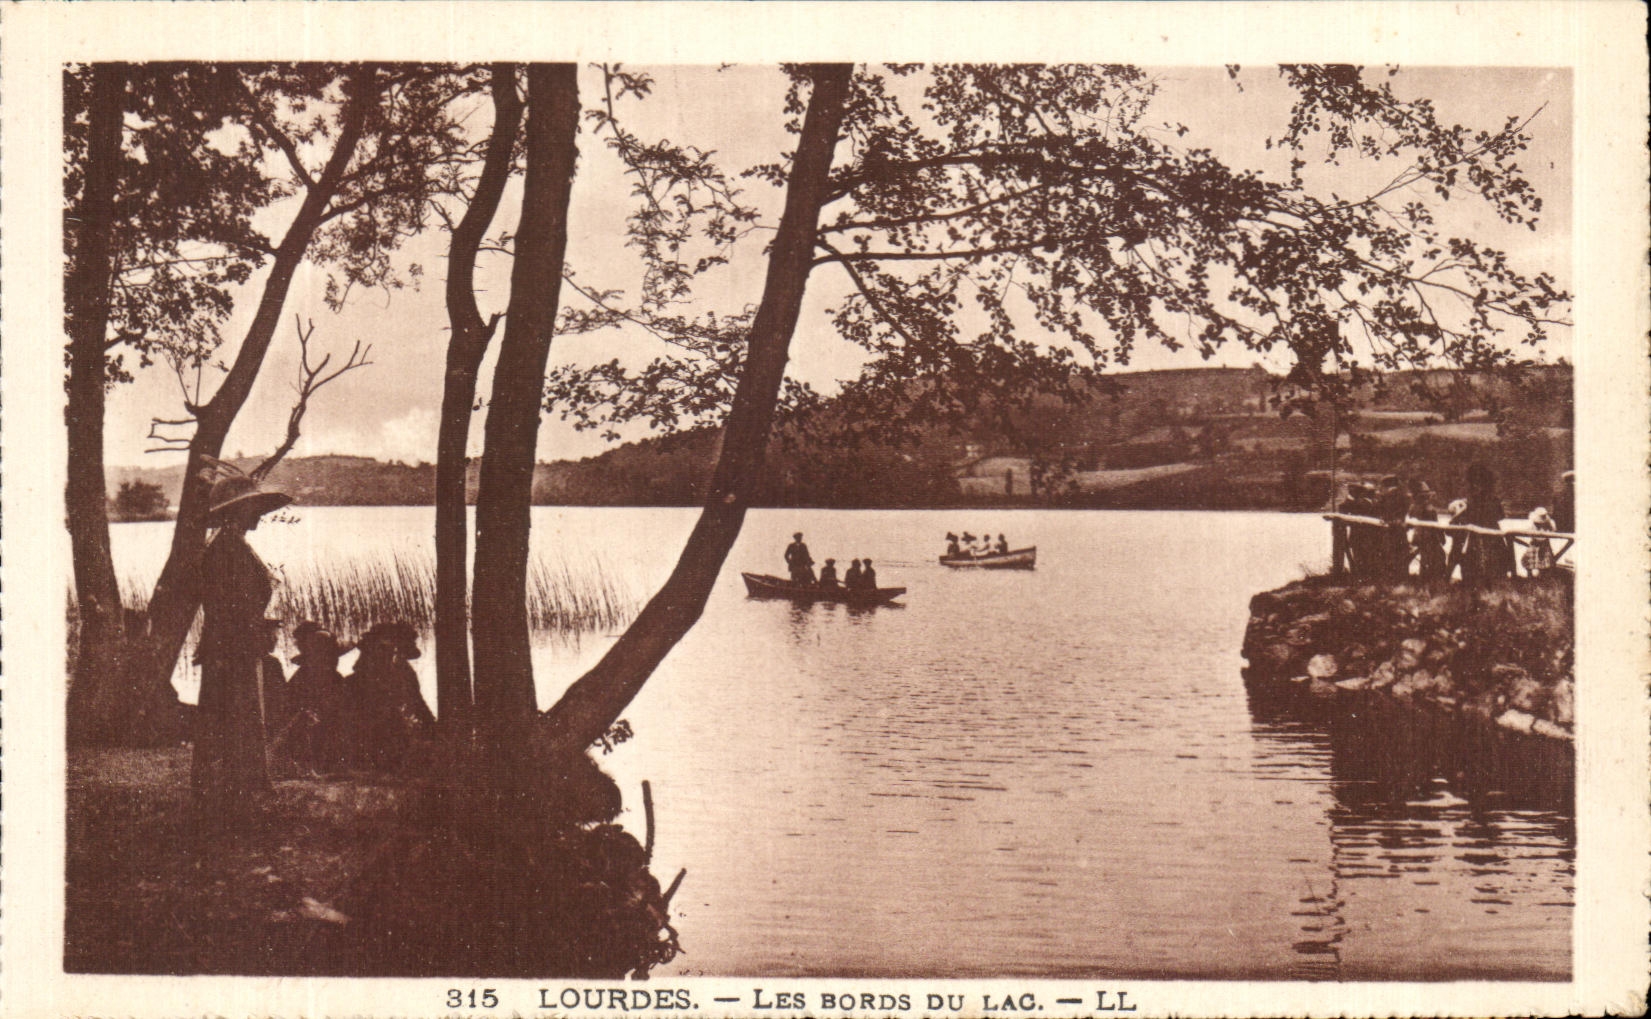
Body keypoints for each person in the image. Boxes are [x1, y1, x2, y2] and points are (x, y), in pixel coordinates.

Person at [192, 470, 292, 830]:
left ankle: (236, 789)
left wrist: (255, 624)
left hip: (235, 643)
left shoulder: (232, 545)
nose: (258, 517)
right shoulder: (225, 550)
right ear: (236, 512)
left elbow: (238, 602)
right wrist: (253, 626)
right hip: (230, 646)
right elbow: (226, 605)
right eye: (253, 509)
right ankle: (229, 794)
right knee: (231, 715)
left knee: (238, 714)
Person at [350, 621, 434, 773]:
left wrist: (432, 727)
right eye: (381, 650)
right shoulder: (359, 679)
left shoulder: (405, 673)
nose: (386, 655)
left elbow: (417, 702)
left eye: (391, 651)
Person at [287, 622, 349, 775]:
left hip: (336, 746)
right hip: (310, 745)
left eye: (334, 656)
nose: (333, 661)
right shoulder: (301, 679)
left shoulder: (337, 679)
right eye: (328, 656)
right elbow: (292, 714)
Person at [1450, 463, 1512, 585]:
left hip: (1477, 532)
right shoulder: (1491, 498)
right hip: (1491, 532)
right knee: (1491, 557)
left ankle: (1478, 579)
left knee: (1475, 558)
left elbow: (1468, 516)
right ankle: (1491, 579)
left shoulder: (1472, 498)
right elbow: (1501, 516)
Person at [1408, 479, 1448, 581]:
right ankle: (1433, 581)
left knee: (1426, 558)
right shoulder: (1429, 508)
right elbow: (1434, 525)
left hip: (1419, 536)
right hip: (1430, 537)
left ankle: (1425, 580)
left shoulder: (1413, 507)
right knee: (1437, 557)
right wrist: (1441, 537)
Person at [1375, 476, 1412, 578]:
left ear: (1387, 485)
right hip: (1401, 528)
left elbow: (1381, 511)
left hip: (1390, 529)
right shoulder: (1404, 496)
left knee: (1389, 552)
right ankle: (1403, 577)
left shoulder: (1387, 496)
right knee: (1402, 553)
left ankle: (1391, 577)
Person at [1521, 506, 1557, 577]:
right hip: (1535, 543)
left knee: (1544, 560)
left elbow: (1553, 530)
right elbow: (1528, 531)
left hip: (1545, 544)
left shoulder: (1548, 523)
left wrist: (1547, 529)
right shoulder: (1532, 524)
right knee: (1529, 559)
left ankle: (1542, 575)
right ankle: (1530, 574)